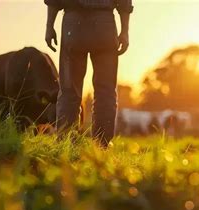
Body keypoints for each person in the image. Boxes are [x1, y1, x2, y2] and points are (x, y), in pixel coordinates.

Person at [44, 0, 133, 147]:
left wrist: (49, 26)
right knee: (106, 90)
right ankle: (101, 145)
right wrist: (125, 31)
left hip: (73, 25)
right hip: (104, 25)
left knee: (69, 90)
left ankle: (66, 143)